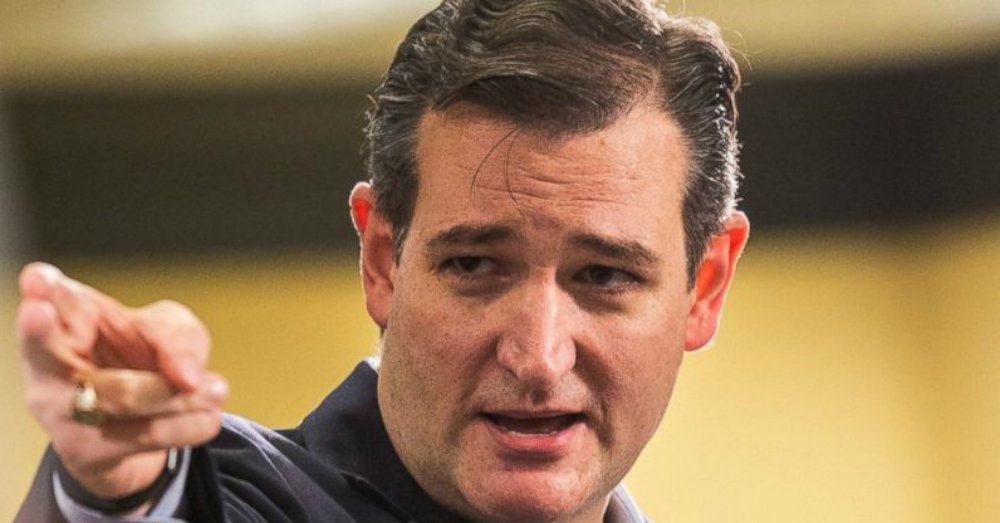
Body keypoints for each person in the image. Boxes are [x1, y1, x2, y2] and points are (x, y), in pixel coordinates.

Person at [15, 0, 749, 521]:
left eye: (605, 276)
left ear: (705, 287)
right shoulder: (238, 496)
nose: (538, 356)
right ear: (381, 264)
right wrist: (117, 489)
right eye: (474, 265)